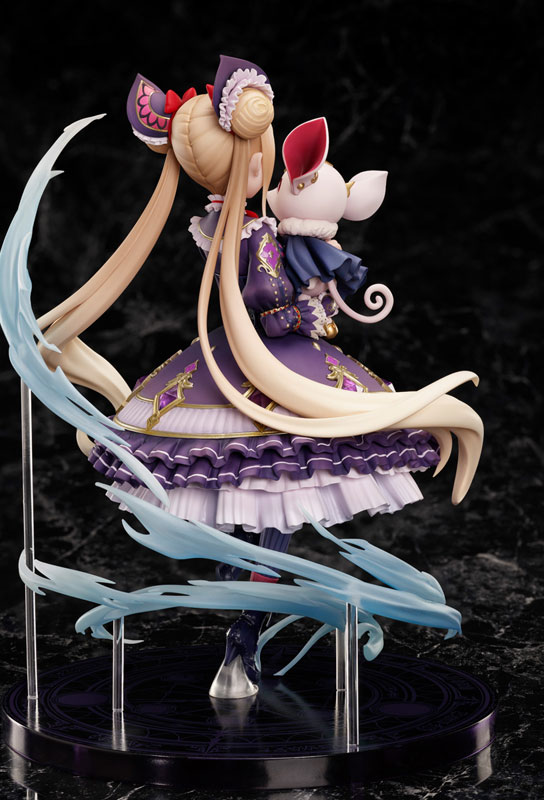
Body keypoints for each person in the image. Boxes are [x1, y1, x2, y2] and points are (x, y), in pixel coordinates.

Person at [36, 56, 483, 694]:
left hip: (227, 361)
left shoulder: (226, 221)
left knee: (250, 492)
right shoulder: (257, 234)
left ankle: (241, 606)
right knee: (271, 487)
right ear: (251, 160)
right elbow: (268, 304)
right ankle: (244, 627)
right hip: (267, 364)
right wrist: (307, 311)